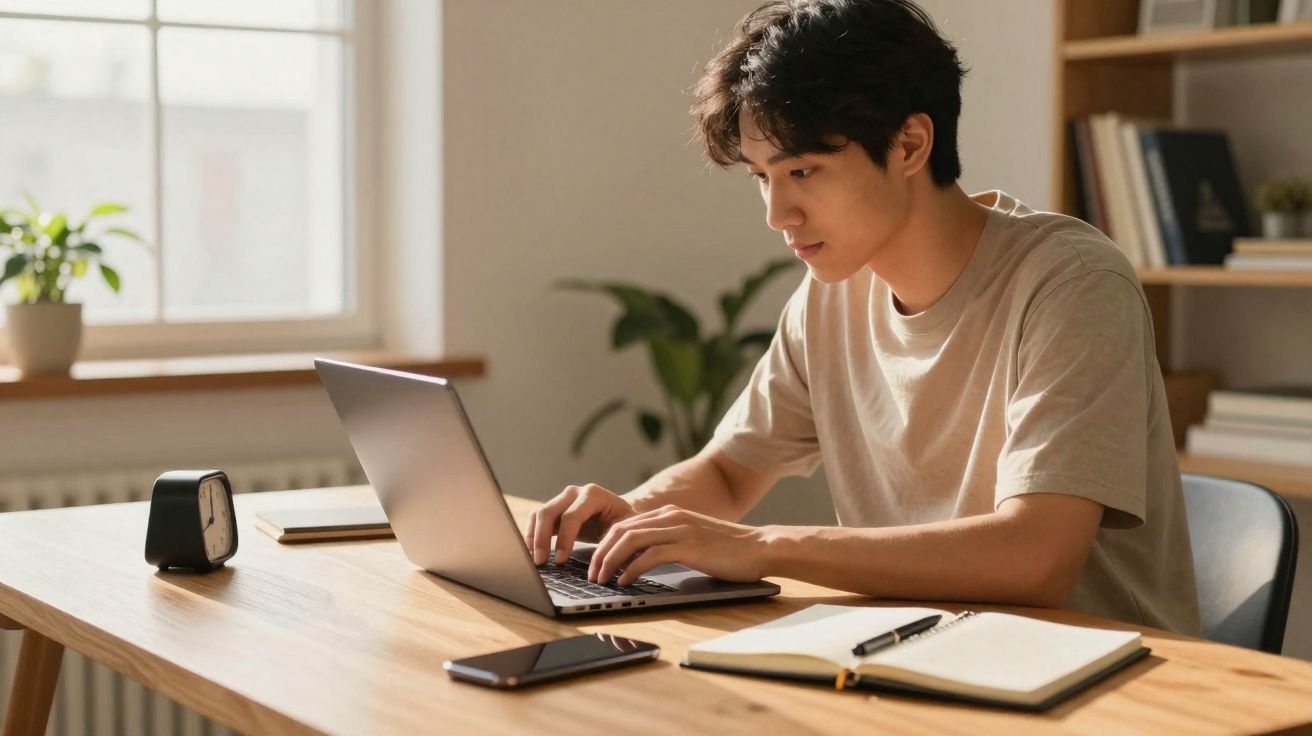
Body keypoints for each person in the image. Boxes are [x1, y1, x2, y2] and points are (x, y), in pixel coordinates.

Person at [525, 0, 1199, 633]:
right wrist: (630, 520)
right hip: (914, 652)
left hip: (1103, 675)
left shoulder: (1071, 284)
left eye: (802, 171)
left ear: (909, 145)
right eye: (762, 177)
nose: (777, 215)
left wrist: (764, 546)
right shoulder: (831, 295)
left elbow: (1037, 557)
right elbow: (729, 473)